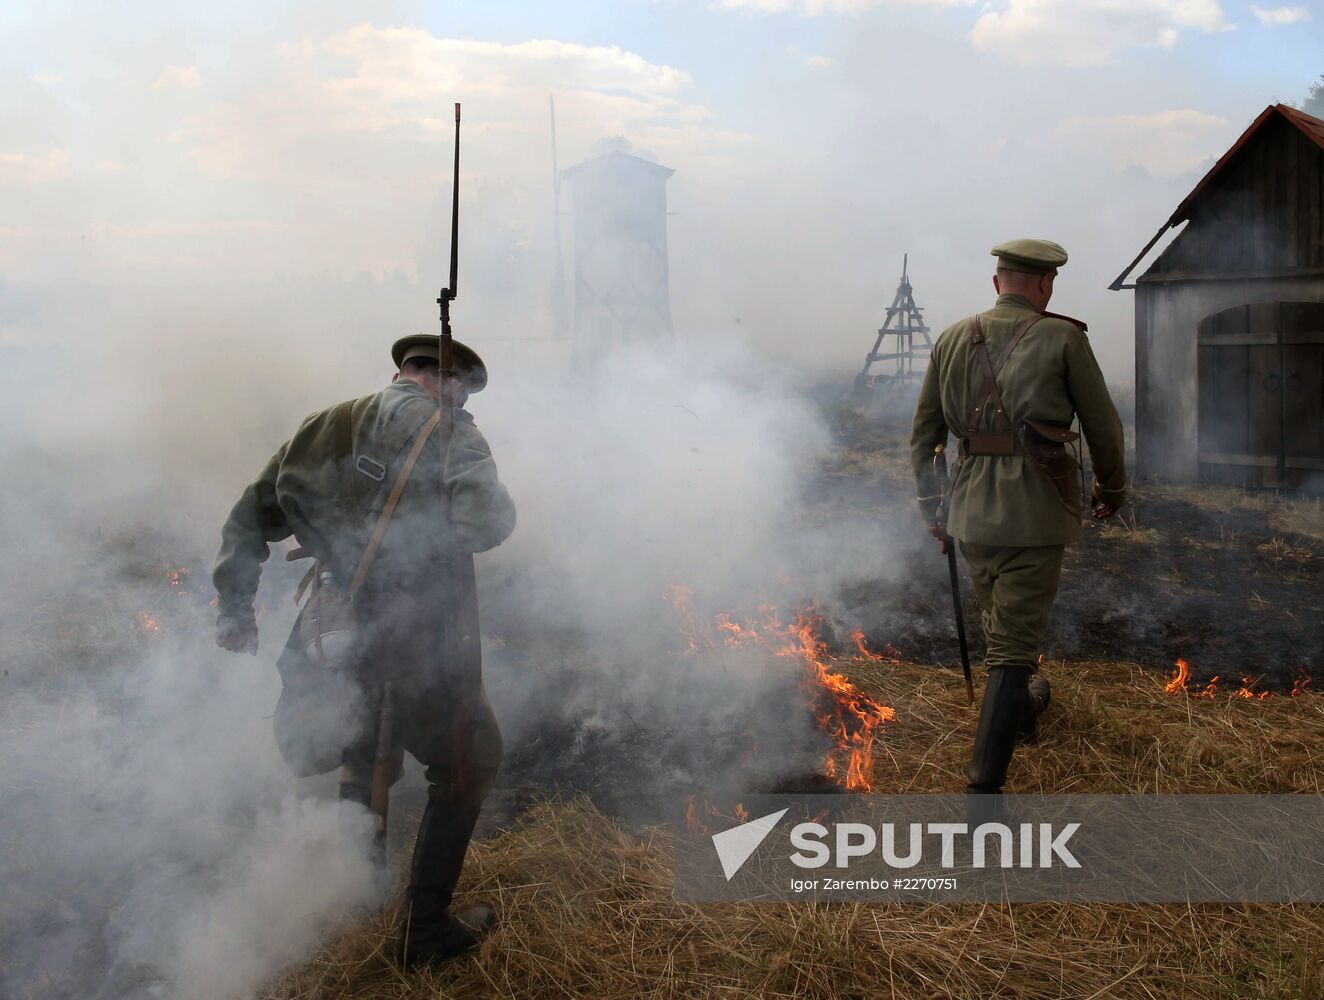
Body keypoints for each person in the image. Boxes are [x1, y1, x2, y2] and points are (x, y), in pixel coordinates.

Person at [212, 333, 516, 966]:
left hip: (336, 625)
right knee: (469, 759)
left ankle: (360, 901)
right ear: (450, 382)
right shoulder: (449, 430)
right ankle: (423, 935)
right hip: (419, 632)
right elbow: (489, 523)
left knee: (366, 751)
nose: (459, 398)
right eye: (460, 390)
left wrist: (236, 606)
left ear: (405, 369)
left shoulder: (323, 425)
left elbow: (249, 515)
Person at [910, 239, 1127, 794]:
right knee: (1011, 645)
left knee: (1001, 626)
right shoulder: (1063, 338)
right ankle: (984, 789)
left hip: (970, 511)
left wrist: (933, 506)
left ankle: (1022, 712)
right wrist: (1112, 487)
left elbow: (925, 437)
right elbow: (1103, 426)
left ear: (996, 282)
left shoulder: (953, 337)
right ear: (1045, 284)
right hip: (1035, 511)